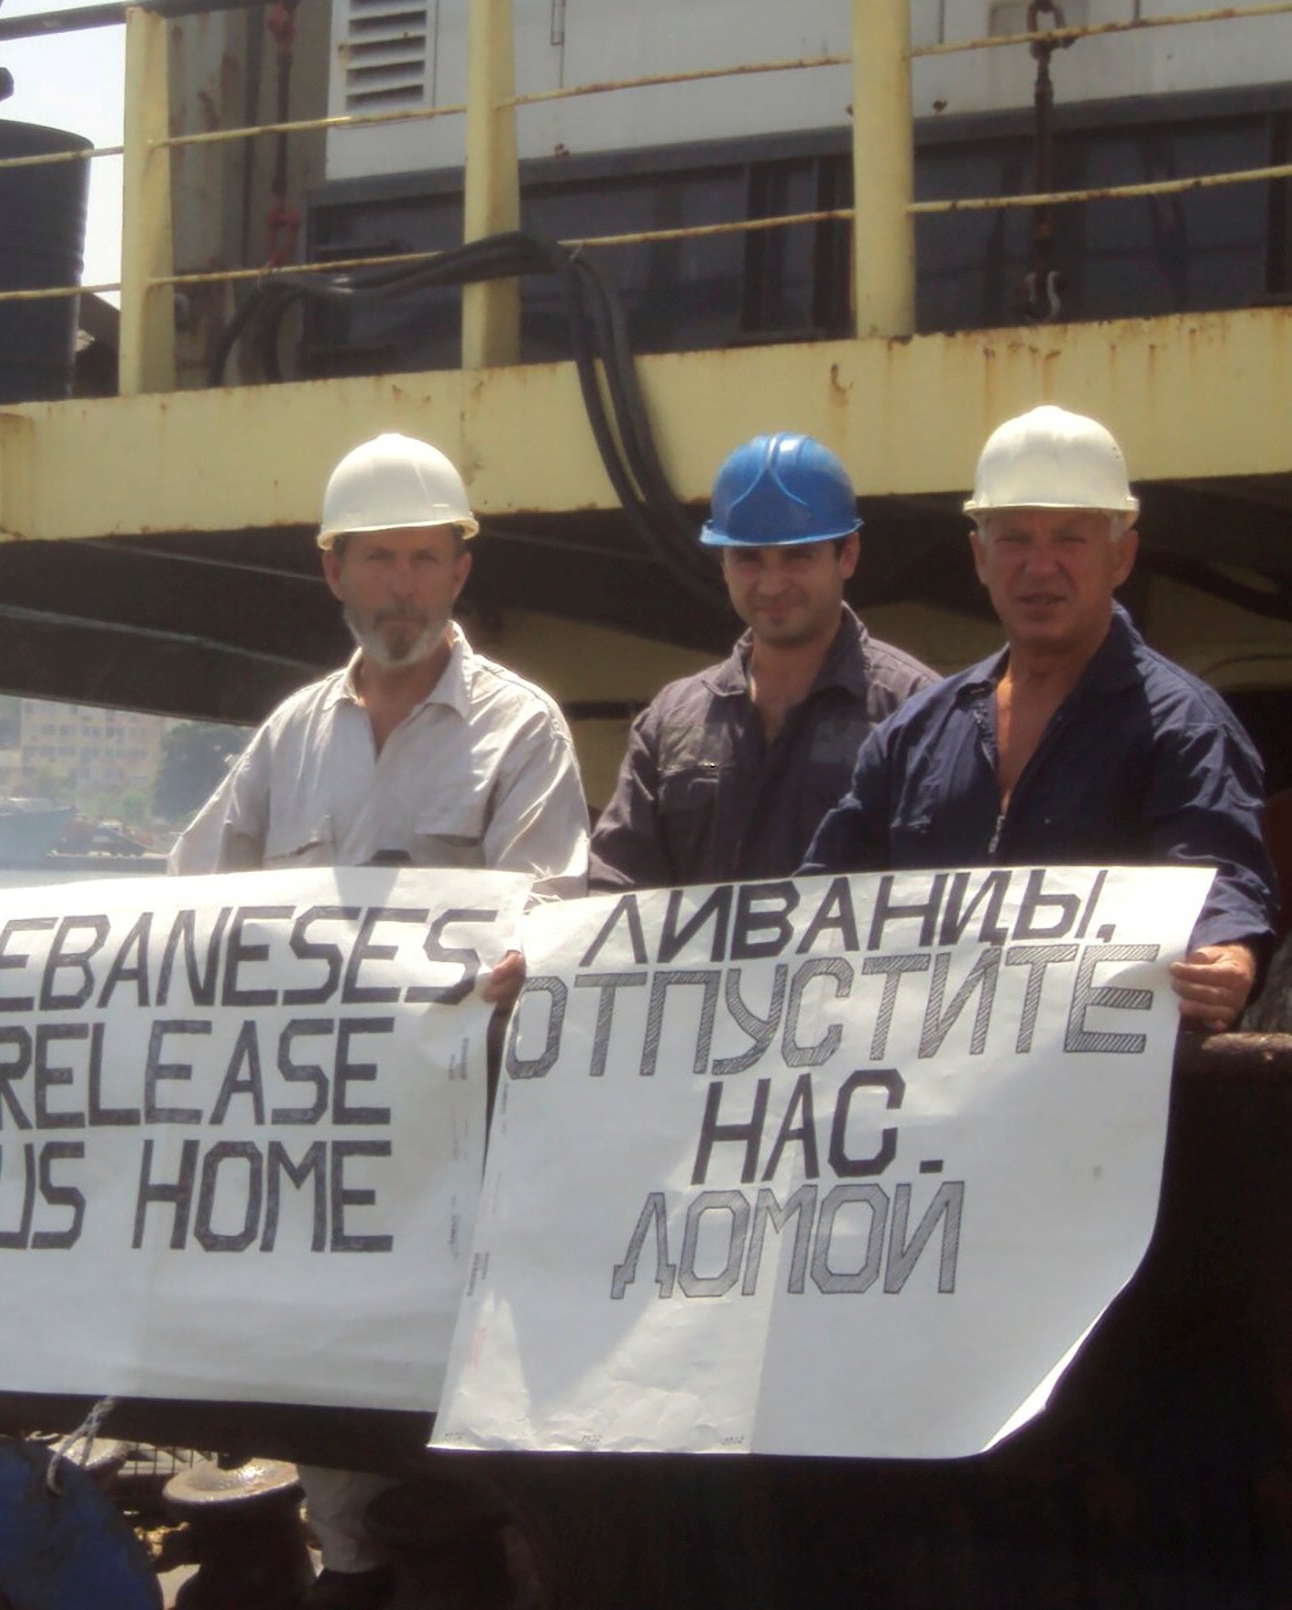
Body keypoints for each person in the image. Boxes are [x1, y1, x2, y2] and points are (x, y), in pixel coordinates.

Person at [170, 431, 591, 1609]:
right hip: (323, 1155)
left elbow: (549, 916)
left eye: (423, 558)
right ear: (333, 571)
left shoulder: (524, 731)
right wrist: (12, 951)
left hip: (465, 1152)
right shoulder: (288, 736)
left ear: (460, 571)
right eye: (378, 560)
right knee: (337, 1449)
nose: (401, 584)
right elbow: (186, 897)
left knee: (466, 1429)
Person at [804, 404, 1279, 1028]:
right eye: (1015, 539)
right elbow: (819, 900)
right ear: (979, 557)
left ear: (1122, 557)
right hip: (935, 1105)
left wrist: (1228, 955)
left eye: (1070, 539)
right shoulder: (914, 735)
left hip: (1102, 1108)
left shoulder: (1183, 728)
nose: (1039, 566)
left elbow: (1220, 879)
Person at [588, 433, 936, 890]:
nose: (772, 585)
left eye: (797, 557)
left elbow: (943, 892)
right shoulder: (671, 720)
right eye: (749, 559)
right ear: (724, 563)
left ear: (846, 555)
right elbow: (616, 883)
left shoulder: (917, 713)